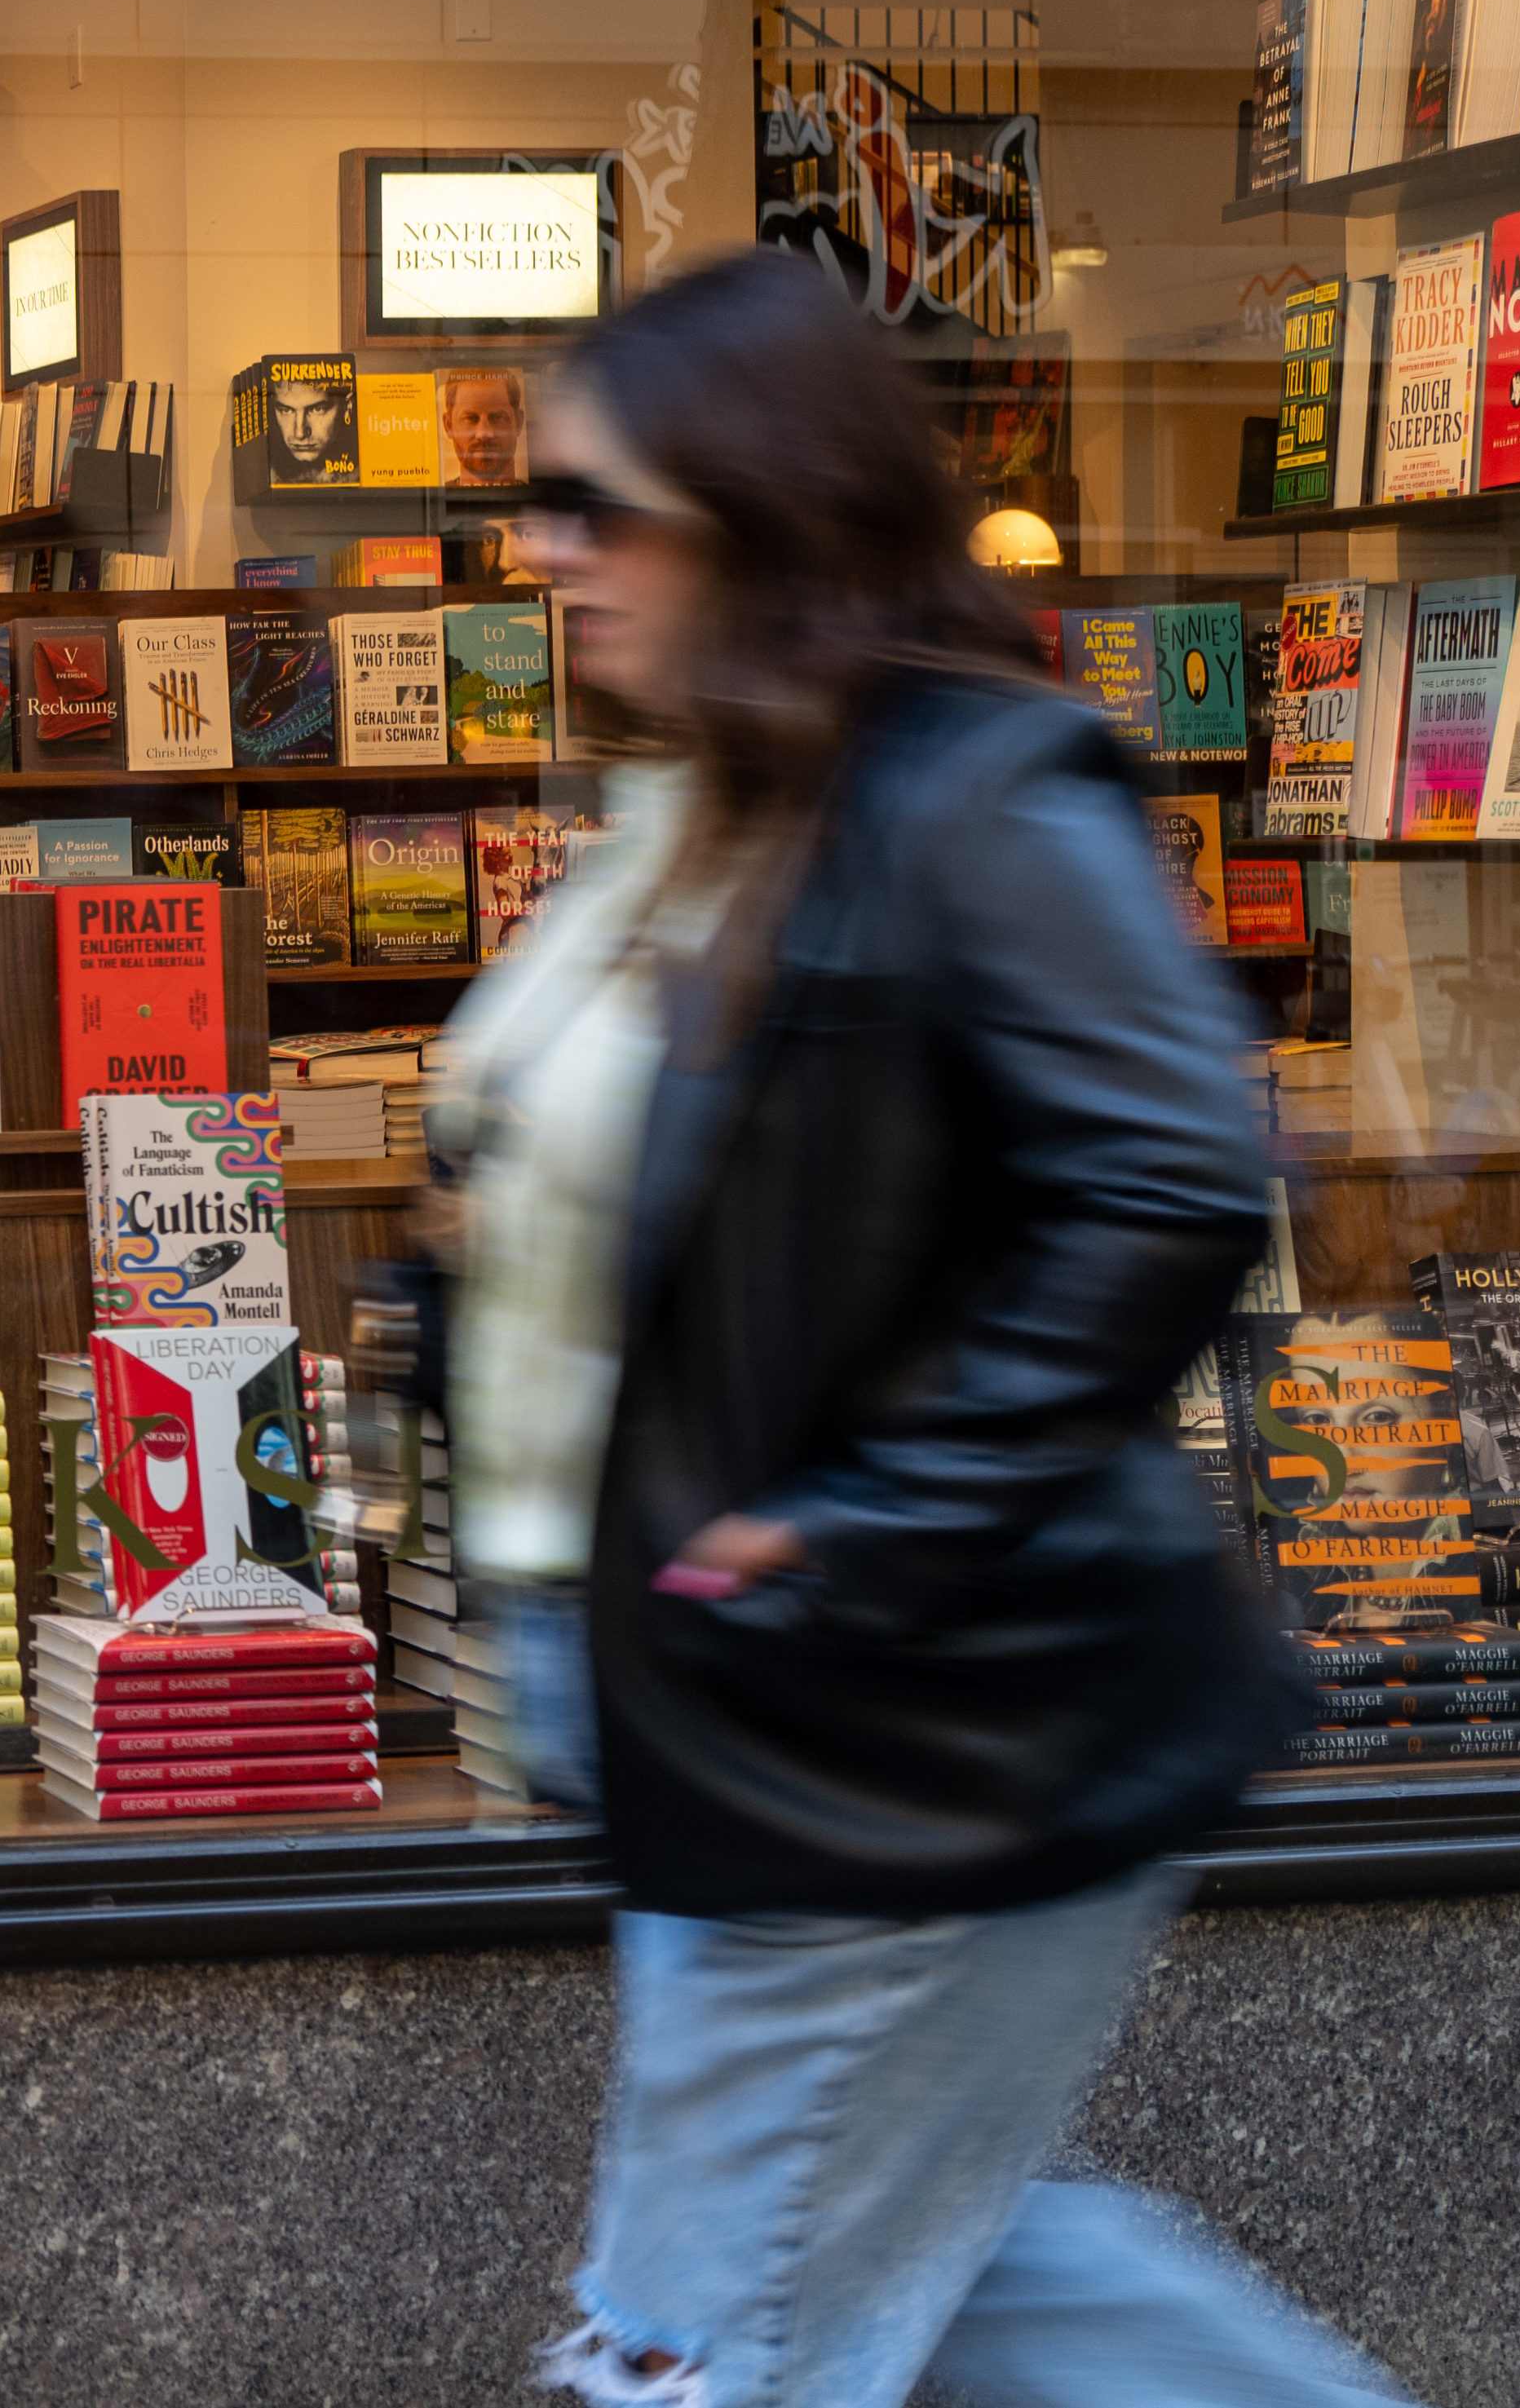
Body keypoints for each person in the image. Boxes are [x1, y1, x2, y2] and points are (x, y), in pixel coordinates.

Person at [433, 254, 1408, 2408]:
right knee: (931, 2269)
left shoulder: (971, 794)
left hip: (888, 1718)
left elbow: (1168, 1176)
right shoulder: (712, 801)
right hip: (727, 1703)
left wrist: (869, 1529)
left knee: (702, 2344)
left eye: (595, 504)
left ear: (758, 505)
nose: (539, 553)